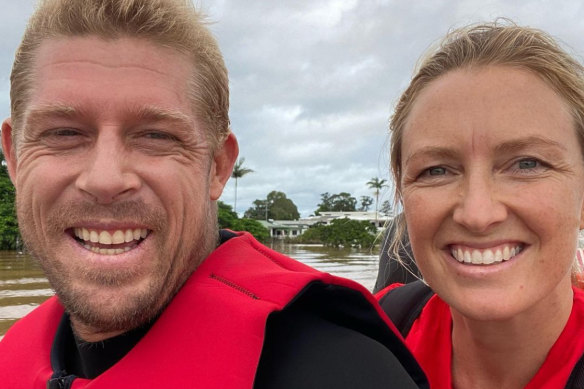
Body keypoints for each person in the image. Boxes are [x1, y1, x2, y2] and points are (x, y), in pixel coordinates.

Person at [0, 1, 429, 388]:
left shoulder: (342, 372)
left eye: (155, 135)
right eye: (63, 134)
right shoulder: (13, 356)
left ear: (219, 167)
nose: (106, 179)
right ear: (15, 157)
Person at [377, 20, 584, 389]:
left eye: (527, 164)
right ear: (402, 194)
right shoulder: (370, 338)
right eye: (436, 170)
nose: (477, 214)